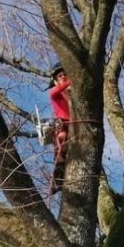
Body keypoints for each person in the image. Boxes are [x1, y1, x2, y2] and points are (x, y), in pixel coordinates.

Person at [48, 63, 70, 194]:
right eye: (60, 75)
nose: (63, 77)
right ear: (56, 79)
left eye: (64, 74)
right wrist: (69, 81)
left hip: (75, 125)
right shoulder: (55, 92)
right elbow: (53, 92)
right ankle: (57, 181)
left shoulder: (70, 94)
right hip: (63, 125)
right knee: (62, 148)